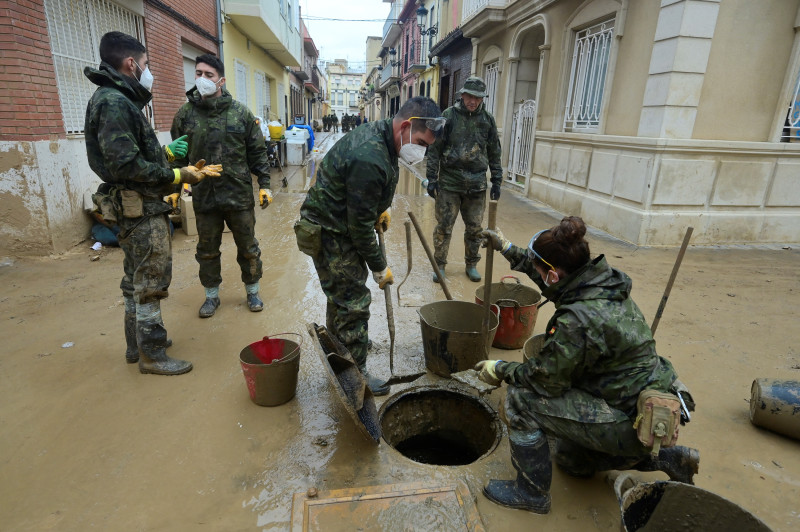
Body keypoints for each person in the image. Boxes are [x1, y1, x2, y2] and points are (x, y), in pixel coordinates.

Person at [477, 217, 699, 514]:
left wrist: (500, 368)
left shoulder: (578, 320)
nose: (540, 274)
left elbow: (545, 381)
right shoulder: (599, 281)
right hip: (633, 401)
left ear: (554, 274)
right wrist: (506, 248)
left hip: (628, 415)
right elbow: (551, 278)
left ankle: (531, 493)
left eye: (541, 270)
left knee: (520, 400)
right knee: (570, 461)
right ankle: (667, 457)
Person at [84, 31, 222, 375]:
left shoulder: (112, 99)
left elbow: (127, 156)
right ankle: (153, 355)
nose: (147, 72)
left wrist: (162, 155)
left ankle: (136, 347)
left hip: (133, 203)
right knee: (150, 282)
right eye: (145, 65)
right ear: (130, 64)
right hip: (142, 208)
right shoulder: (115, 102)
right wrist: (177, 176)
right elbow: (126, 165)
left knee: (135, 279)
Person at [296, 97, 444, 396]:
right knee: (353, 301)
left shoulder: (385, 139)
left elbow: (365, 202)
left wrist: (380, 207)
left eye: (427, 146)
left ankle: (342, 345)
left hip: (340, 223)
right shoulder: (370, 155)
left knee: (342, 295)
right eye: (420, 142)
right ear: (405, 126)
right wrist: (380, 267)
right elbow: (359, 229)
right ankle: (355, 374)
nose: (421, 151)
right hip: (331, 231)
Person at [171, 53, 273, 318]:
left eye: (209, 75)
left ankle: (252, 291)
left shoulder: (240, 114)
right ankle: (211, 297)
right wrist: (173, 189)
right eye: (199, 74)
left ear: (221, 81)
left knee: (248, 248)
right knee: (206, 251)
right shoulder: (185, 115)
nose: (202, 79)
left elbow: (258, 153)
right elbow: (178, 156)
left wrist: (264, 184)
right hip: (204, 196)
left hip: (238, 195)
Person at [426, 76, 503, 284]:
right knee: (443, 226)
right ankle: (440, 265)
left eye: (477, 98)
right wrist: (431, 178)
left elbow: (495, 151)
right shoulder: (448, 116)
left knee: (475, 229)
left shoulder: (487, 120)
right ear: (462, 95)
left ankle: (471, 264)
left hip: (477, 185)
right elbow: (434, 148)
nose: (473, 101)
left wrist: (497, 179)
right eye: (470, 96)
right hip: (450, 183)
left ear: (482, 99)